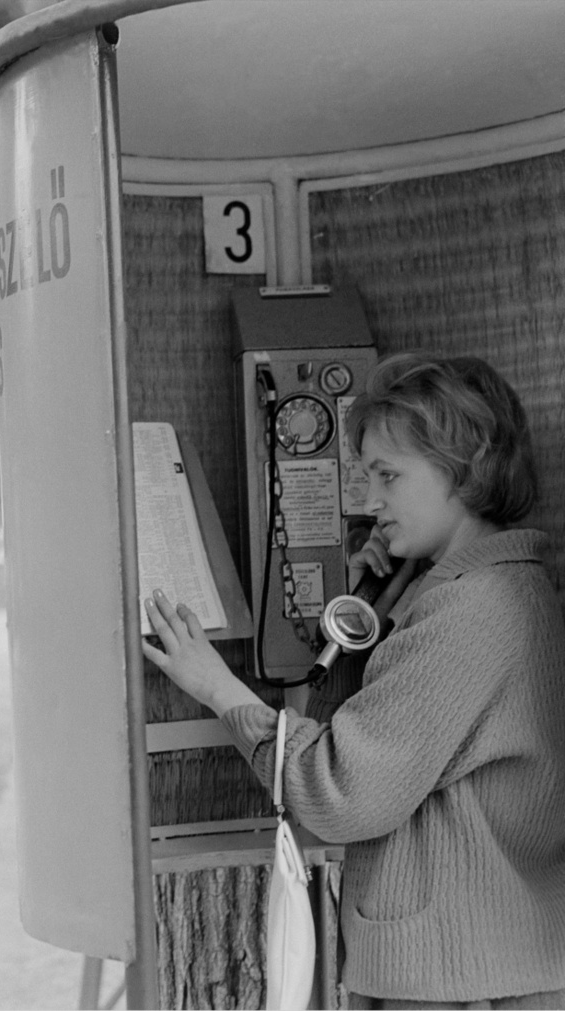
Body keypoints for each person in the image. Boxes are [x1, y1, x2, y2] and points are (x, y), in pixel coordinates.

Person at [141, 352, 565, 1009]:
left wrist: (220, 689)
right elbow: (397, 737)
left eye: (388, 476)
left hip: (459, 979)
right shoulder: (490, 588)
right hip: (483, 961)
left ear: (465, 467)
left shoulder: (472, 609)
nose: (369, 501)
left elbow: (343, 790)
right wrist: (384, 596)